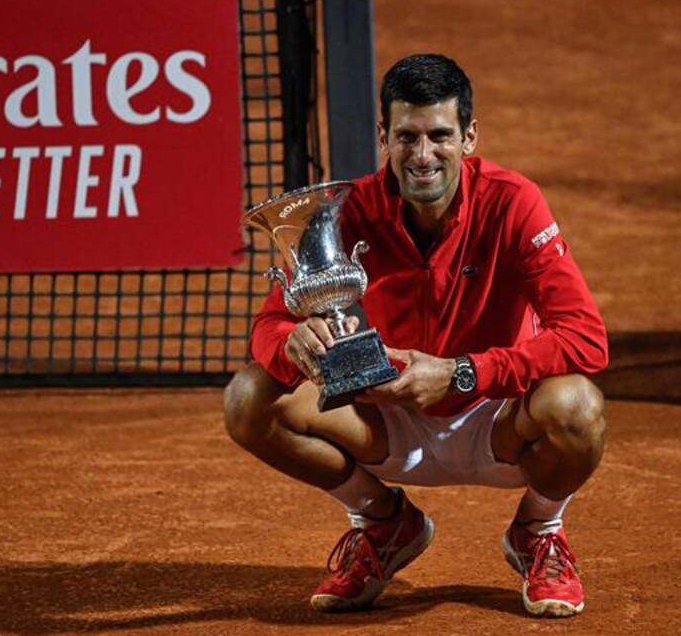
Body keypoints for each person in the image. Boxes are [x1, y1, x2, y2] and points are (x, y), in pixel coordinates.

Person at [224, 54, 608, 618]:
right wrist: (288, 343)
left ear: (469, 137)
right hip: (386, 419)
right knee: (248, 399)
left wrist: (463, 372)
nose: (423, 155)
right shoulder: (346, 212)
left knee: (577, 405)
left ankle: (538, 531)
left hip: (496, 417)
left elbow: (586, 338)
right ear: (384, 136)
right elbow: (269, 324)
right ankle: (382, 521)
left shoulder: (513, 202)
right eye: (407, 136)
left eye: (439, 136)